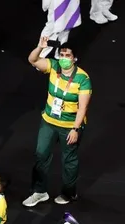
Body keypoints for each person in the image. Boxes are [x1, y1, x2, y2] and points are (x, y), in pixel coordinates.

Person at [24, 38, 91, 207]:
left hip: (69, 126)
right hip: (49, 121)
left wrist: (75, 129)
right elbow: (32, 60)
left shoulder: (83, 79)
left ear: (74, 58)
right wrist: (40, 47)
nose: (63, 58)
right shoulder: (54, 66)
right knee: (41, 155)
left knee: (68, 160)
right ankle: (39, 192)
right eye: (61, 54)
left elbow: (82, 108)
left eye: (67, 55)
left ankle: (69, 193)